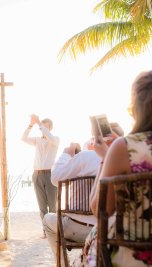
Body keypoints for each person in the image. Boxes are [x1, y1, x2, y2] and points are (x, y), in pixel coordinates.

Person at [75, 71, 152, 267]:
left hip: (132, 254)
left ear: (137, 109)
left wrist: (104, 158)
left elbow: (99, 209)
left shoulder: (124, 148)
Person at [22, 114, 60, 238]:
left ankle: (54, 231)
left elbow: (49, 136)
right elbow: (23, 138)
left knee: (53, 205)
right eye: (42, 127)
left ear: (51, 128)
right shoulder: (37, 141)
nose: (43, 129)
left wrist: (39, 123)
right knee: (42, 206)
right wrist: (31, 125)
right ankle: (46, 232)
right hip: (37, 175)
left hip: (49, 175)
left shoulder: (55, 139)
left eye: (45, 127)